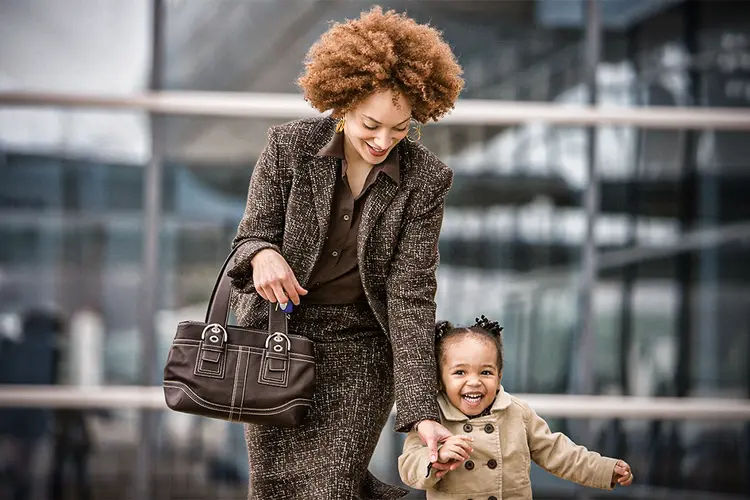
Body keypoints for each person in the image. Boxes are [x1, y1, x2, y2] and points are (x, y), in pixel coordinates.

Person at [226, 7, 464, 499]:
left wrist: (420, 409)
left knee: (332, 485)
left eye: (400, 129)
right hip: (278, 342)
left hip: (360, 351)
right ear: (343, 102)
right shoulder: (288, 147)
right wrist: (261, 255)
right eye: (370, 124)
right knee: (275, 488)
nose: (383, 141)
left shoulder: (426, 180)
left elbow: (410, 296)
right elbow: (248, 237)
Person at [398, 316, 635, 499]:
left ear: (499, 376)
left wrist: (605, 469)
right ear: (440, 379)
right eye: (460, 372)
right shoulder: (431, 418)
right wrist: (436, 457)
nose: (474, 381)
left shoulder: (517, 413)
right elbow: (409, 467)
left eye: (486, 372)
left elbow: (559, 453)